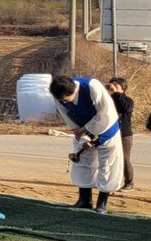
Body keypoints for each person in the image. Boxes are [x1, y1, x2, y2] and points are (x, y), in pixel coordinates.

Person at [49, 75, 122, 214]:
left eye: (65, 99)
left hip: (107, 129)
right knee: (82, 162)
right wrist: (82, 135)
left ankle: (102, 203)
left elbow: (105, 114)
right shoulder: (58, 96)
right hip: (82, 130)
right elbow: (68, 117)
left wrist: (89, 131)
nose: (63, 102)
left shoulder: (93, 87)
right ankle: (84, 200)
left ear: (72, 92)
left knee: (107, 165)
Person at [107, 77, 135, 190]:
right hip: (110, 133)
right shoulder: (108, 100)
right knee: (109, 158)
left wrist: (117, 94)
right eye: (111, 85)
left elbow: (126, 108)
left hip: (124, 134)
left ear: (123, 88)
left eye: (115, 85)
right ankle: (110, 181)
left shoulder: (128, 100)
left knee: (125, 159)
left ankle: (129, 183)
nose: (112, 87)